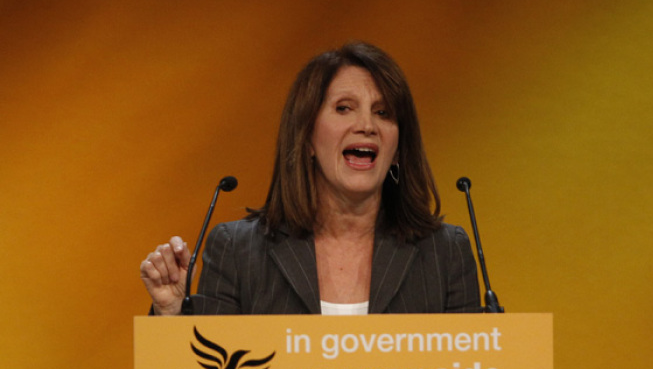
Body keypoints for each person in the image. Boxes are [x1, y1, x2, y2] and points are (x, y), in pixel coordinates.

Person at [140, 41, 480, 316]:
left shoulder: (444, 253)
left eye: (383, 113)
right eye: (344, 108)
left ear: (398, 143)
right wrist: (172, 314)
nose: (367, 125)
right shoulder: (239, 251)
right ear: (306, 138)